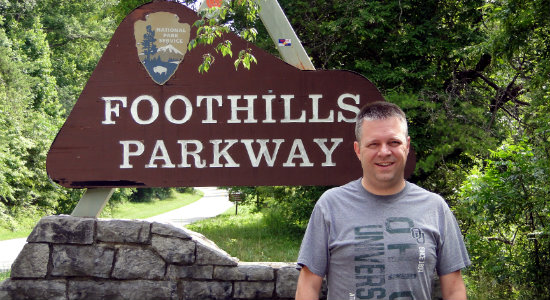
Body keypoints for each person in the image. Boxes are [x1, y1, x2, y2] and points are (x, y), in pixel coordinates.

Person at [295, 101, 471, 300]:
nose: (384, 152)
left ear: (407, 146)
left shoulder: (435, 207)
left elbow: (454, 289)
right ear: (358, 150)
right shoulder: (330, 205)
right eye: (373, 144)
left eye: (394, 142)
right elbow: (308, 287)